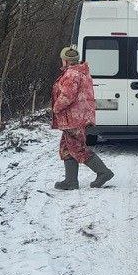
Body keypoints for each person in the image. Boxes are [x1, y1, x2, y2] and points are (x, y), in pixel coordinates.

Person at [51, 46, 115, 189]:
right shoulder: (79, 72)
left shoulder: (72, 74)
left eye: (62, 59)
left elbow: (67, 95)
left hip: (74, 118)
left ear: (66, 60)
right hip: (76, 117)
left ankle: (103, 172)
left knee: (77, 148)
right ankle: (71, 181)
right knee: (66, 148)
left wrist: (56, 107)